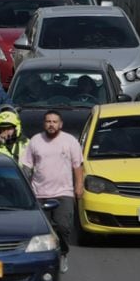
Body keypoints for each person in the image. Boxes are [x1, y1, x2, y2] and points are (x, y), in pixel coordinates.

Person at [20, 111, 82, 271]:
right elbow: (27, 166)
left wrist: (79, 186)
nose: (51, 124)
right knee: (42, 230)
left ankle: (62, 254)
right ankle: (43, 260)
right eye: (48, 121)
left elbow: (77, 166)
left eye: (55, 121)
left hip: (64, 193)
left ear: (60, 124)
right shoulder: (35, 141)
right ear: (44, 123)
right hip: (39, 193)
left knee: (63, 227)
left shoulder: (70, 141)